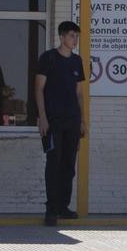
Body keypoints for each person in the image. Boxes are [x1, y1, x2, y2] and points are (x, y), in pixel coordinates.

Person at [35, 21, 87, 226]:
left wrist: (82, 120)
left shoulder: (76, 61)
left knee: (68, 165)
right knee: (53, 163)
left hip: (72, 120)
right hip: (53, 121)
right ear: (62, 37)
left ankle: (63, 206)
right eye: (72, 36)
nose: (75, 40)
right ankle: (52, 208)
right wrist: (43, 117)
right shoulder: (48, 59)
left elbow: (79, 93)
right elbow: (38, 89)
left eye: (77, 36)